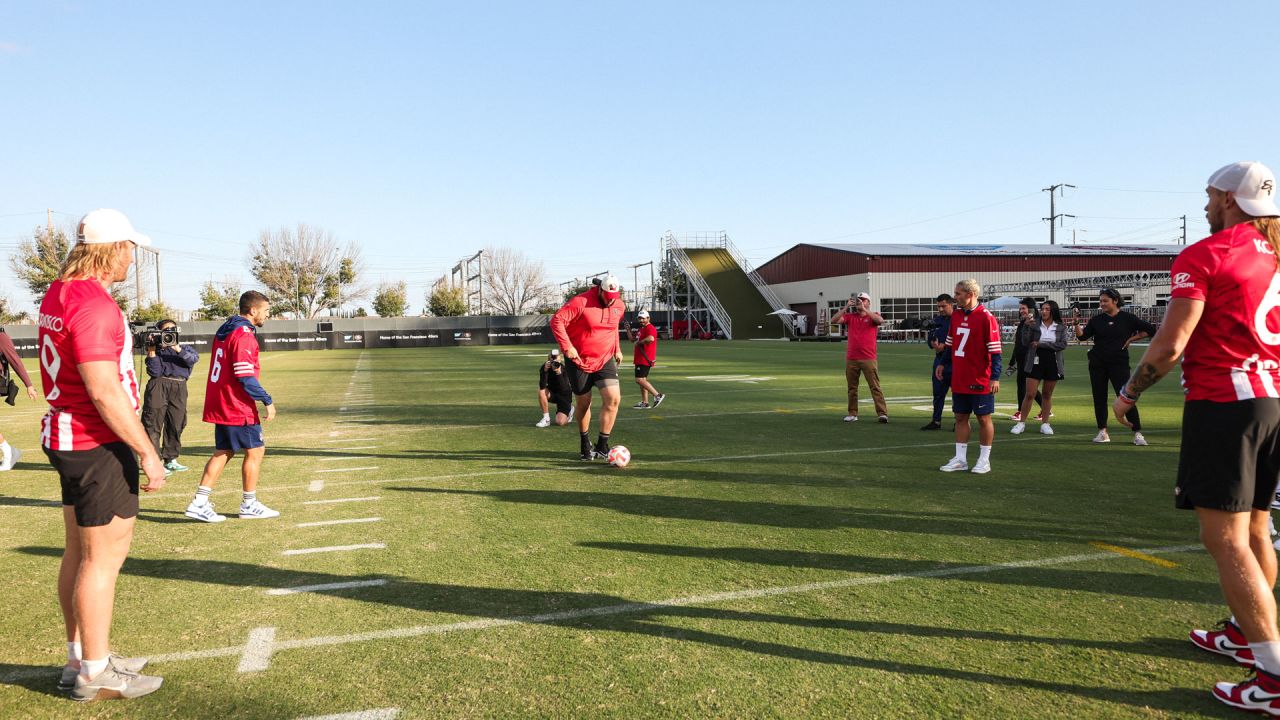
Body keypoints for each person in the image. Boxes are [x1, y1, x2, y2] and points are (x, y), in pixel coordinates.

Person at [1111, 161, 1280, 714]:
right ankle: (1243, 633)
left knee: (1225, 538)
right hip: (1272, 399)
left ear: (1229, 198)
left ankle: (1274, 675)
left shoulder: (1209, 252)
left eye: (1209, 196)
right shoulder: (1273, 249)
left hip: (1227, 402)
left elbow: (1168, 345)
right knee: (1255, 526)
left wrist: (1130, 393)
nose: (1205, 205)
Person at [39, 209, 165, 701]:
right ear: (114, 249)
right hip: (94, 441)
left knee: (79, 551)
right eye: (131, 249)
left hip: (69, 435)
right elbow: (104, 391)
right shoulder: (94, 305)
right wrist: (148, 453)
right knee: (102, 560)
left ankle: (81, 658)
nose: (132, 259)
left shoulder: (59, 291)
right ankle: (94, 670)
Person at [184, 291, 278, 522]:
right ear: (253, 310)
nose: (268, 314)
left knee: (224, 451)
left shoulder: (225, 328)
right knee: (255, 450)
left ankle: (200, 502)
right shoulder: (243, 333)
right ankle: (249, 504)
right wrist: (266, 399)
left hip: (221, 400)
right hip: (236, 404)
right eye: (266, 310)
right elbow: (244, 374)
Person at [551, 276, 626, 460]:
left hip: (605, 358)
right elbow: (557, 320)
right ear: (600, 290)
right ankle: (585, 442)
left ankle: (602, 445)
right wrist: (567, 347)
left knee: (614, 399)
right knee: (584, 403)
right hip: (579, 360)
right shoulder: (581, 302)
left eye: (614, 296)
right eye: (608, 296)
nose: (611, 300)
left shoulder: (619, 305)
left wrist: (617, 348)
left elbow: (613, 326)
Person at [1073, 287, 1156, 445]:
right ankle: (1102, 432)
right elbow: (1082, 337)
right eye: (1100, 301)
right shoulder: (1096, 320)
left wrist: (1132, 339)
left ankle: (1137, 433)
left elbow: (1150, 330)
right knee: (1099, 397)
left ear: (1115, 301)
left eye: (1105, 301)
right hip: (1097, 363)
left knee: (1127, 396)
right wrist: (1076, 323)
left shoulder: (1128, 318)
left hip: (1119, 363)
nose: (1102, 304)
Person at [937, 278, 1001, 474]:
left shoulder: (986, 317)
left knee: (983, 418)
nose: (955, 297)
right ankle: (960, 459)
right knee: (960, 416)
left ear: (970, 294)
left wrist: (995, 377)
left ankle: (984, 460)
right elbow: (950, 344)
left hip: (980, 377)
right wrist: (942, 363)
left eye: (958, 294)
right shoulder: (955, 316)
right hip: (960, 375)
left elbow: (995, 352)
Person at [140, 319, 198, 474]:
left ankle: (171, 459)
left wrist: (176, 348)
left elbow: (192, 360)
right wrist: (152, 352)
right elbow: (155, 372)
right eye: (166, 330)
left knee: (177, 423)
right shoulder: (157, 351)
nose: (170, 332)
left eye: (173, 329)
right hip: (159, 385)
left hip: (179, 386)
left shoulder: (185, 348)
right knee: (152, 424)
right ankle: (154, 461)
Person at [1011, 300, 1068, 436]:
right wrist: (1026, 327)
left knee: (1047, 395)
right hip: (1035, 360)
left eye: (1047, 309)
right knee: (1029, 393)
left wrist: (1042, 344)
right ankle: (1021, 423)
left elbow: (1062, 344)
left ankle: (1045, 424)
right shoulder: (1034, 324)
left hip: (1053, 361)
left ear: (1053, 311)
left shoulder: (1060, 326)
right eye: (1042, 309)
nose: (1044, 312)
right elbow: (1026, 342)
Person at [836, 292, 888, 423]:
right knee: (852, 388)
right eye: (859, 300)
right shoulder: (850, 316)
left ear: (868, 303)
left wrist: (865, 310)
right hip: (852, 358)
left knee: (875, 386)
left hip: (868, 358)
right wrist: (846, 307)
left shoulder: (873, 315)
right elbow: (834, 321)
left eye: (863, 300)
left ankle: (882, 413)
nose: (860, 302)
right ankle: (852, 413)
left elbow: (880, 321)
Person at [0, 326, 38, 470]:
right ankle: (10, 452)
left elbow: (15, 361)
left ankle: (9, 453)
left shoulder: (1, 337)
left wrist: (28, 384)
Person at [921, 294, 954, 431]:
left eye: (943, 306)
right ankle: (936, 420)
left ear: (951, 304)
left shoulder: (957, 319)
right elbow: (930, 339)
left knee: (957, 393)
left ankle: (959, 421)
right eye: (938, 306)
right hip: (939, 359)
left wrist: (944, 346)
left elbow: (959, 341)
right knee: (938, 392)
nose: (940, 309)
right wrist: (934, 344)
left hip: (955, 361)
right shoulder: (937, 320)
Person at [1007, 298, 1043, 423]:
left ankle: (1020, 411)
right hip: (1021, 359)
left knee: (1023, 385)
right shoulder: (1023, 323)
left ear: (1031, 309)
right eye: (1020, 308)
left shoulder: (1036, 323)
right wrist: (1013, 360)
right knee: (1028, 387)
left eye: (1023, 308)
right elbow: (1018, 344)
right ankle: (1045, 409)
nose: (1021, 311)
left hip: (1031, 359)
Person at [626, 310, 665, 409]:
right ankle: (645, 402)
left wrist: (640, 343)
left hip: (645, 358)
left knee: (639, 380)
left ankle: (657, 395)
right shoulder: (641, 329)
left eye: (643, 318)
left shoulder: (650, 328)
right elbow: (632, 340)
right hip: (640, 358)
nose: (641, 320)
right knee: (643, 380)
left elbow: (651, 338)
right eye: (639, 318)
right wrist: (628, 330)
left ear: (648, 318)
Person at [536, 348, 575, 427]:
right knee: (541, 391)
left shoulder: (564, 369)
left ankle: (570, 410)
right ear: (549, 359)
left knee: (560, 422)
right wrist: (545, 371)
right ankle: (546, 418)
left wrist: (558, 373)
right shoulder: (545, 367)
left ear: (560, 359)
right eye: (552, 358)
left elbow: (563, 388)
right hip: (552, 393)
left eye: (556, 358)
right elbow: (542, 386)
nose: (554, 361)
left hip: (564, 396)